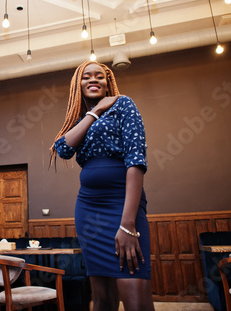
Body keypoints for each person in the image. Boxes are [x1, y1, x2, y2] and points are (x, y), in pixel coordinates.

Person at [50, 60, 155, 311]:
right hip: (89, 209)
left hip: (123, 204)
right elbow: (62, 149)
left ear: (108, 83)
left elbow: (136, 161)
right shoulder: (80, 119)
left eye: (100, 76)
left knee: (135, 294)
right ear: (78, 84)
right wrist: (94, 112)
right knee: (102, 298)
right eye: (87, 77)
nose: (93, 80)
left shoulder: (124, 105)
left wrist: (127, 225)